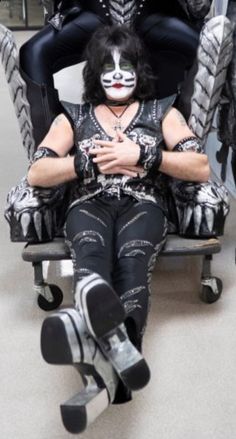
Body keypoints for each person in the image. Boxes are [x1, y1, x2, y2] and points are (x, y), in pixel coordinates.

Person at [27, 25, 210, 434]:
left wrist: (143, 154)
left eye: (125, 65)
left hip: (143, 204)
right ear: (93, 72)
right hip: (88, 204)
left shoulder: (162, 110)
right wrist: (84, 164)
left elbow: (199, 166)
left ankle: (100, 373)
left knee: (132, 258)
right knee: (91, 260)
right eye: (106, 66)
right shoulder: (73, 116)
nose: (117, 74)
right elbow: (39, 172)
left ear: (139, 69)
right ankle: (115, 370)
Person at [19, 0, 213, 146]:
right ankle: (50, 148)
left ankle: (184, 141)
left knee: (208, 48)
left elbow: (199, 8)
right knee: (33, 52)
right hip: (94, 12)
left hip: (150, 12)